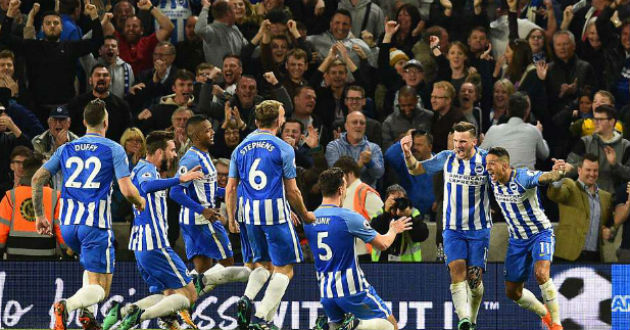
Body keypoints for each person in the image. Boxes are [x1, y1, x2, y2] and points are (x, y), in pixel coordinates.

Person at [32, 99, 145, 330]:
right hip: (95, 225)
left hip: (68, 225)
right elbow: (126, 190)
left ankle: (88, 315)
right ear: (106, 121)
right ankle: (67, 305)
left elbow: (36, 179)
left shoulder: (65, 148)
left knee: (92, 273)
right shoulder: (113, 148)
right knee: (101, 289)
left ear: (83, 122)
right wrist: (140, 201)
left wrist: (39, 216)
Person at [225, 100, 316, 330]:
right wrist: (304, 214)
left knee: (262, 266)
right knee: (285, 269)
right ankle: (262, 318)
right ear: (279, 120)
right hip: (274, 214)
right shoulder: (283, 148)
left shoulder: (240, 148)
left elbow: (231, 188)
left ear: (256, 121)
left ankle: (246, 299)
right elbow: (292, 190)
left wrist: (232, 217)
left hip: (247, 215)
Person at [103, 131, 203, 330]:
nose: (175, 155)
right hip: (154, 244)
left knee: (164, 296)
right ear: (159, 152)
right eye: (172, 150)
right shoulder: (146, 169)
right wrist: (180, 179)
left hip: (142, 246)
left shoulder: (145, 169)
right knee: (189, 295)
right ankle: (140, 316)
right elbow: (147, 186)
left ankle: (124, 313)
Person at [402, 121, 490, 330]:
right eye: (455, 140)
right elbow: (417, 169)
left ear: (474, 142)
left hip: (479, 229)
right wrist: (407, 153)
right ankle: (464, 319)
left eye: (463, 141)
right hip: (452, 228)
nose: (458, 145)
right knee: (456, 270)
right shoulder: (446, 158)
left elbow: (503, 179)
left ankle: (472, 317)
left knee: (474, 281)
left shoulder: (486, 160)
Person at [305, 167, 411, 330]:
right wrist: (393, 230)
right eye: (346, 187)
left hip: (326, 294)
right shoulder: (348, 217)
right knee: (391, 325)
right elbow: (382, 244)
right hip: (352, 290)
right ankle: (355, 326)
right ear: (341, 189)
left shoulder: (310, 219)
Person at [169, 115, 252, 299]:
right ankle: (190, 287)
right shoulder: (191, 160)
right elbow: (175, 192)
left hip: (194, 221)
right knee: (227, 263)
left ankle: (178, 304)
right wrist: (203, 210)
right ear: (197, 136)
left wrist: (233, 192)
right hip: (202, 220)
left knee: (203, 271)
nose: (213, 132)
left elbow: (209, 190)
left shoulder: (204, 156)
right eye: (207, 130)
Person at [485, 147, 565, 330]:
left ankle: (557, 324)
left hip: (540, 233)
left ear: (505, 165)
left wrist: (558, 173)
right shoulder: (492, 177)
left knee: (541, 274)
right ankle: (545, 314)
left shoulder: (522, 177)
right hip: (517, 241)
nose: (488, 168)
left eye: (492, 164)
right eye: (487, 163)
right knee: (513, 293)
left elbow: (545, 177)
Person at [0, 0, 104, 124]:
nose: (52, 26)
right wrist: (10, 12)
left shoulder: (71, 47)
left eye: (56, 23)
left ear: (61, 27)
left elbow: (97, 41)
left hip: (66, 109)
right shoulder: (32, 46)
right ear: (42, 28)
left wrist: (94, 15)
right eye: (48, 23)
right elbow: (5, 38)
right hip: (38, 110)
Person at [547, 153, 613, 262]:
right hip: (566, 256)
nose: (592, 174)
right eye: (588, 170)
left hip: (595, 258)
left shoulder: (606, 197)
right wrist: (557, 175)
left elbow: (609, 224)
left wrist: (609, 231)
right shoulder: (570, 186)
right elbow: (554, 194)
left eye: (595, 170)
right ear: (579, 170)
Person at [0, 153, 67, 260]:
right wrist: (69, 254)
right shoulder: (55, 196)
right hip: (46, 261)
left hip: (15, 262)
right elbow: (62, 232)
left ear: (24, 172)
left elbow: (1, 232)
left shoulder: (10, 196)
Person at [481, 92, 549, 170]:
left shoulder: (493, 130)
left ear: (507, 110)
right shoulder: (534, 131)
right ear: (527, 111)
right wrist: (539, 132)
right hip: (523, 180)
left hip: (498, 179)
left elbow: (479, 155)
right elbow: (545, 154)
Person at [370, 184, 429, 262]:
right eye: (394, 199)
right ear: (387, 200)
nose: (397, 203)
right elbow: (373, 235)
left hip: (409, 264)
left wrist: (409, 217)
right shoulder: (380, 212)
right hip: (382, 262)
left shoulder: (413, 212)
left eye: (401, 199)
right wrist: (386, 213)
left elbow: (421, 236)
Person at [325, 111, 384, 188]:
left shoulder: (374, 148)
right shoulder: (334, 146)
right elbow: (337, 175)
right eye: (354, 122)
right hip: (342, 194)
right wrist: (358, 165)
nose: (358, 125)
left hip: (367, 195)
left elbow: (379, 174)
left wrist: (370, 162)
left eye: (362, 123)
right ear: (346, 126)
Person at [384, 129, 435, 216]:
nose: (414, 147)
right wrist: (404, 141)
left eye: (419, 145)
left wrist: (441, 200)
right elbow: (389, 156)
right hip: (408, 214)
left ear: (429, 147)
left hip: (433, 215)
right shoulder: (406, 160)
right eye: (413, 144)